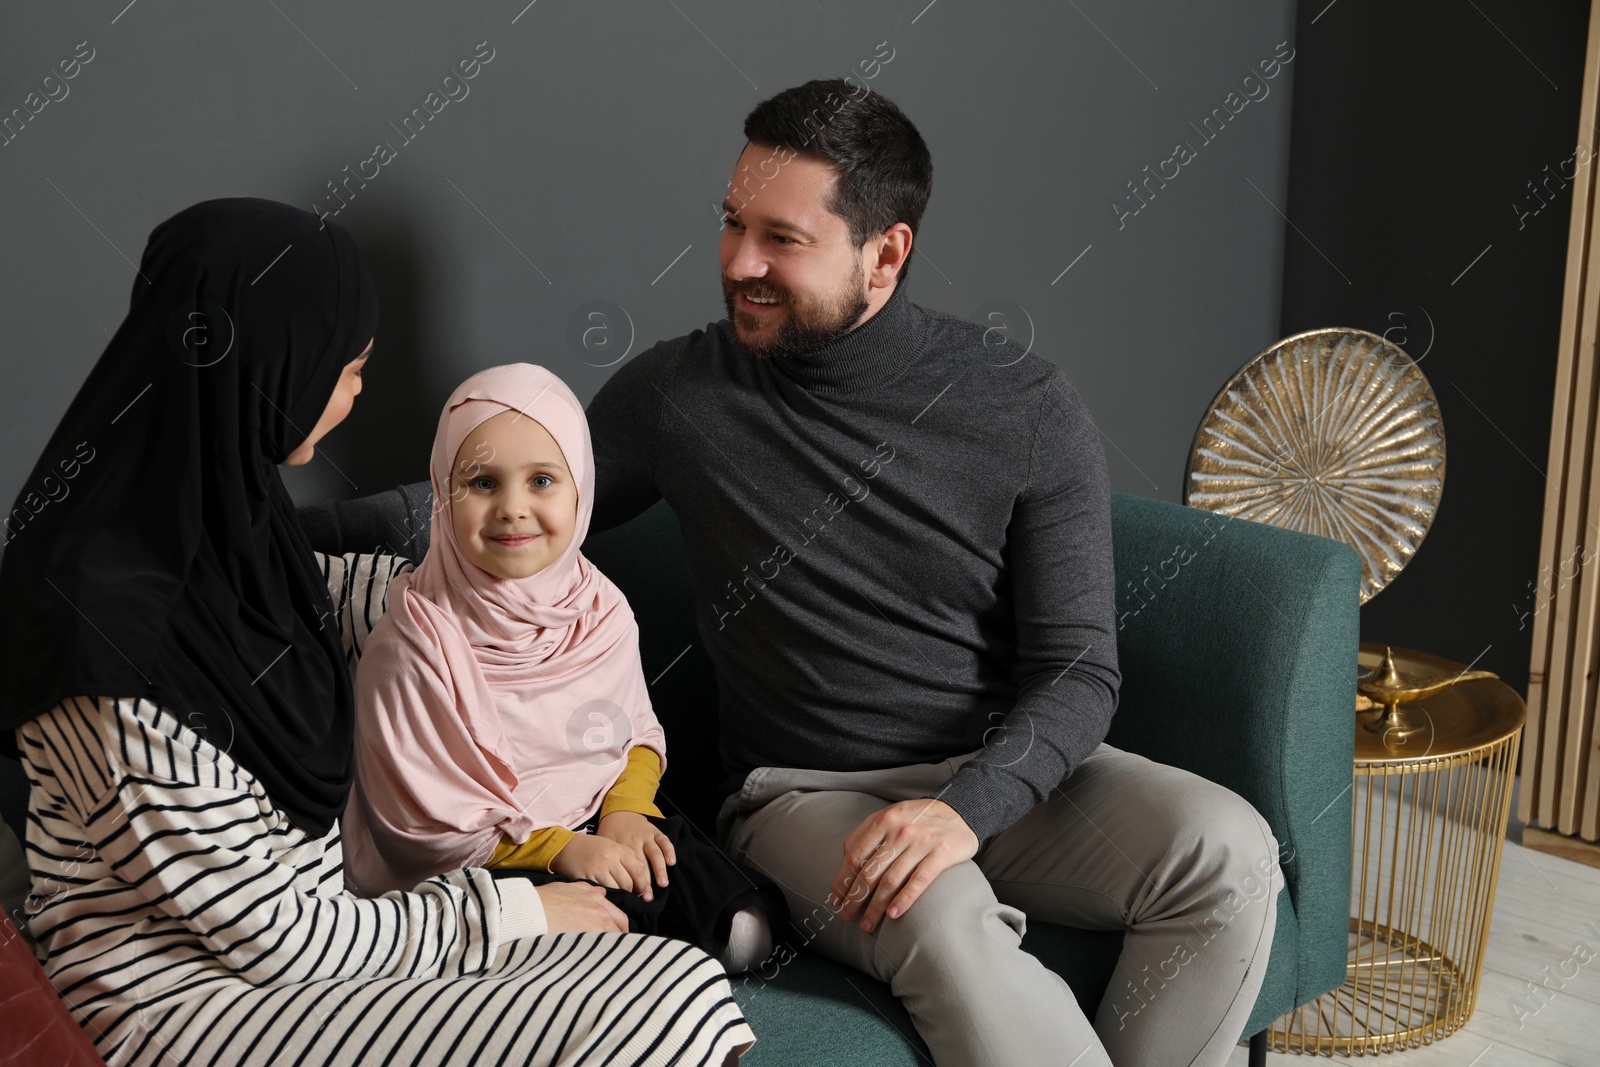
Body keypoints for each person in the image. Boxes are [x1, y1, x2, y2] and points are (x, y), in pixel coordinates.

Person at [304, 79, 1282, 1067]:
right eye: (731, 224)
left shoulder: (1021, 405)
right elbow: (497, 502)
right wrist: (251, 525)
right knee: (936, 913)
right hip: (803, 793)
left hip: (990, 780)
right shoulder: (682, 394)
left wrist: (965, 808)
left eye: (782, 238)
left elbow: (1078, 668)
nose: (737, 263)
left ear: (885, 253)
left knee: (1230, 852)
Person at [0, 198, 754, 1067]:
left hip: (334, 930)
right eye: (345, 365)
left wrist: (499, 594)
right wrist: (512, 911)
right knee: (654, 1009)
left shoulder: (222, 521)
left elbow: (367, 595)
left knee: (666, 980)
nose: (357, 391)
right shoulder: (106, 641)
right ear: (267, 362)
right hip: (191, 994)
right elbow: (268, 933)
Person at [344, 362, 784, 972]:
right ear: (444, 493)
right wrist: (560, 852)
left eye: (543, 480)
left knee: (746, 930)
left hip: (603, 813)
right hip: (489, 857)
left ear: (582, 489)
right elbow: (419, 822)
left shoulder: (598, 608)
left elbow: (632, 731)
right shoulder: (414, 645)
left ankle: (633, 933)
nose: (513, 509)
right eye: (482, 484)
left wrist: (627, 814)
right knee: (568, 937)